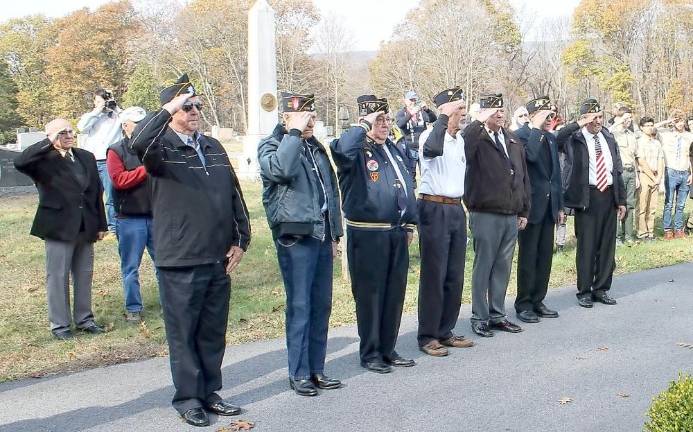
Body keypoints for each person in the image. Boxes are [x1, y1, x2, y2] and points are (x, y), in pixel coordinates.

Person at [130, 74, 251, 427]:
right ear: (172, 112)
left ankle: (210, 391)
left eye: (197, 105)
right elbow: (139, 141)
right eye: (188, 106)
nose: (195, 111)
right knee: (183, 333)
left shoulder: (213, 146)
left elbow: (234, 195)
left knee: (213, 330)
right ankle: (188, 398)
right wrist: (167, 107)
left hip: (218, 256)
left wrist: (241, 239)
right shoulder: (160, 149)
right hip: (180, 258)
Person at [257, 92, 343, 397]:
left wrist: (335, 234)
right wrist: (293, 133)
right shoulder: (272, 144)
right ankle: (299, 372)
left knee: (322, 305)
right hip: (296, 236)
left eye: (313, 117)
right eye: (304, 117)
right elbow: (280, 169)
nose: (310, 122)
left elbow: (329, 192)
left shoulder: (315, 147)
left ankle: (317, 368)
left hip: (321, 234)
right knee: (300, 305)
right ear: (286, 118)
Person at [331, 95, 417, 374]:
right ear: (365, 121)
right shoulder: (355, 150)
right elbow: (342, 152)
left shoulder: (391, 148)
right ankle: (370, 352)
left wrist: (410, 222)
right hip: (368, 234)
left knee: (394, 293)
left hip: (396, 232)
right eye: (377, 120)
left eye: (386, 118)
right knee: (371, 295)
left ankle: (388, 348)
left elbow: (406, 185)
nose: (384, 124)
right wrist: (362, 126)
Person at [14, 118, 107, 340]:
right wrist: (48, 141)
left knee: (84, 274)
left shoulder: (85, 156)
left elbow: (95, 192)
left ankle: (85, 320)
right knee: (57, 276)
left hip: (86, 225)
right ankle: (60, 326)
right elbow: (20, 161)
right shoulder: (42, 160)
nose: (68, 136)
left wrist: (101, 224)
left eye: (70, 131)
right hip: (58, 226)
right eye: (62, 132)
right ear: (51, 136)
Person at [463, 93, 530, 338]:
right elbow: (464, 146)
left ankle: (497, 315)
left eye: (502, 110)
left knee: (503, 266)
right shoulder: (475, 138)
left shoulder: (512, 139)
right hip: (485, 212)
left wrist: (523, 209)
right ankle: (479, 316)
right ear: (483, 114)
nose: (499, 114)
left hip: (510, 212)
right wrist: (478, 122)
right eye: (494, 111)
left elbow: (523, 177)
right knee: (484, 266)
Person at [416, 87, 474, 357]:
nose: (463, 113)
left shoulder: (458, 139)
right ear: (446, 111)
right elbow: (432, 151)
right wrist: (441, 119)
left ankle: (445, 330)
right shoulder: (431, 135)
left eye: (463, 109)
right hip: (434, 207)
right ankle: (428, 335)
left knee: (454, 274)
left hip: (454, 208)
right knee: (434, 274)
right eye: (458, 109)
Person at [557, 99, 626, 308]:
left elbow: (617, 170)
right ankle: (584, 290)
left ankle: (602, 288)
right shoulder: (574, 138)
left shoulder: (608, 137)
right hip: (587, 197)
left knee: (607, 246)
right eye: (592, 117)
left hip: (608, 195)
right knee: (587, 247)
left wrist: (621, 200)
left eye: (599, 117)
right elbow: (557, 138)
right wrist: (579, 124)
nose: (597, 121)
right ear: (584, 118)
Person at [513, 96, 563, 323]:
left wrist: (559, 205)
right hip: (531, 207)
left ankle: (538, 299)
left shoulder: (550, 138)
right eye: (545, 114)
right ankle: (524, 303)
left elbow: (556, 175)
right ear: (533, 114)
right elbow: (529, 157)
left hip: (549, 206)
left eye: (550, 115)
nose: (549, 118)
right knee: (528, 257)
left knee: (544, 257)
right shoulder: (521, 136)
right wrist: (535, 128)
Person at [106, 106, 155, 323]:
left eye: (144, 122)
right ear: (125, 126)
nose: (142, 126)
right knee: (130, 267)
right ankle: (133, 307)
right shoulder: (116, 150)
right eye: (137, 123)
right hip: (130, 218)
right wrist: (146, 169)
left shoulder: (153, 146)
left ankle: (172, 302)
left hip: (156, 215)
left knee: (164, 263)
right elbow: (119, 180)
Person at [77, 88, 123, 233]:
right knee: (91, 194)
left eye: (103, 101)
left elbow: (130, 122)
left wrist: (115, 107)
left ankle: (113, 226)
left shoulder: (116, 116)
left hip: (109, 159)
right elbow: (81, 127)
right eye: (97, 101)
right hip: (92, 160)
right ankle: (93, 224)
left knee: (111, 196)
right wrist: (98, 110)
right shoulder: (91, 117)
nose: (101, 104)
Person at [655, 109, 692, 239]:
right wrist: (668, 121)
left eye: (682, 121)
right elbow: (653, 127)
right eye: (677, 121)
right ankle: (667, 229)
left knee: (681, 204)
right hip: (671, 170)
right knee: (669, 202)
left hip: (685, 171)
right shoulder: (666, 134)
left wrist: (691, 174)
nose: (680, 123)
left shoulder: (689, 136)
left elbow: (691, 156)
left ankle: (678, 229)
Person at [610, 108, 639, 244]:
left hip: (631, 171)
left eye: (630, 118)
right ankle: (617, 237)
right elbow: (607, 130)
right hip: (619, 173)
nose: (628, 121)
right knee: (618, 204)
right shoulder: (613, 133)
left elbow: (634, 157)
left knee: (630, 204)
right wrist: (619, 121)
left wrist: (637, 176)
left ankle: (628, 235)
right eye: (626, 118)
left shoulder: (632, 135)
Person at [395, 90, 437, 185]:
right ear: (405, 100)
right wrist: (410, 114)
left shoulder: (421, 112)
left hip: (422, 147)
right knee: (410, 175)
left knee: (427, 173)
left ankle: (426, 195)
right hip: (409, 147)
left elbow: (434, 119)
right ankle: (412, 194)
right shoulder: (402, 113)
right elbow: (400, 124)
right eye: (411, 100)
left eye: (414, 100)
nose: (413, 102)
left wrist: (427, 110)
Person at [635, 116, 664, 240]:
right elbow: (641, 161)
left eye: (651, 125)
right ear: (641, 127)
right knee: (642, 206)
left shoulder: (656, 143)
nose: (650, 127)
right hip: (644, 175)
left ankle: (650, 231)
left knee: (652, 206)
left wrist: (659, 178)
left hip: (656, 176)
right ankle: (642, 232)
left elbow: (661, 160)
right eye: (647, 125)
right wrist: (652, 177)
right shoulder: (639, 142)